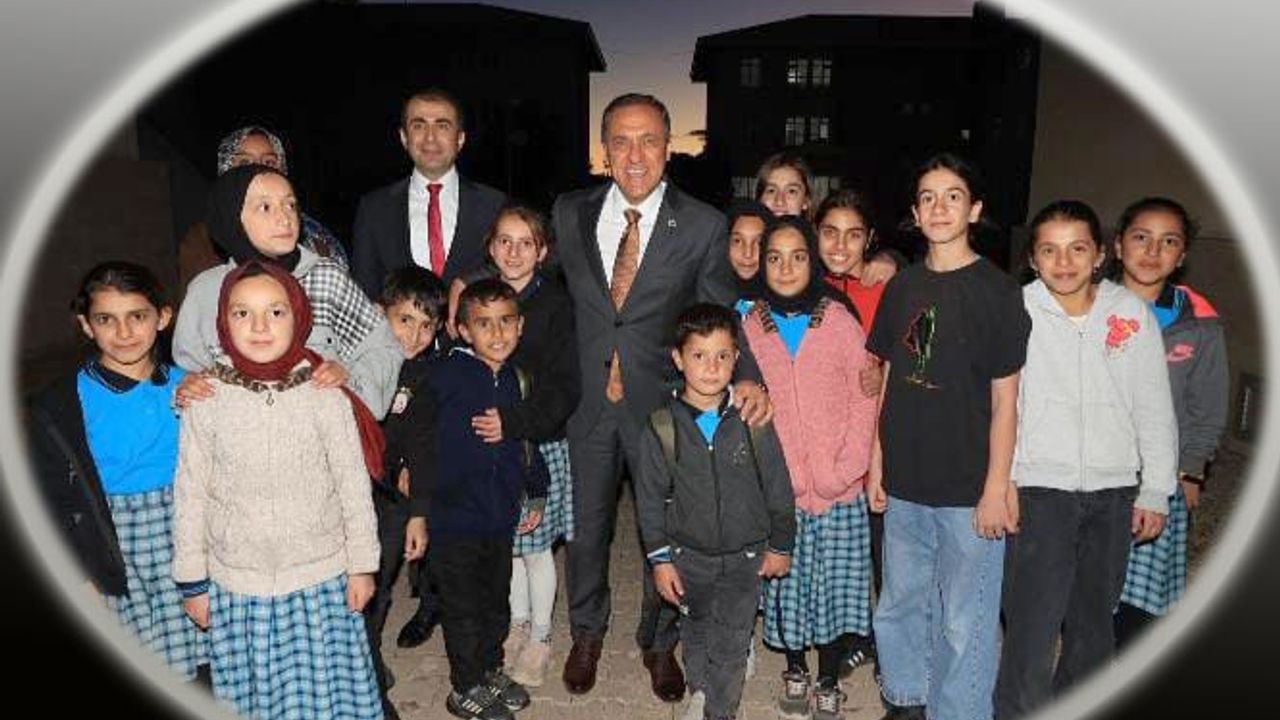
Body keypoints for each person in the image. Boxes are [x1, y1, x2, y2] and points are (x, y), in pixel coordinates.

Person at [550, 92, 772, 703]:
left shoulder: (701, 224)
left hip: (661, 409)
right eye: (621, 141)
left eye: (648, 140)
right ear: (604, 150)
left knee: (665, 529)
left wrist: (747, 376)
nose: (635, 154)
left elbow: (719, 312)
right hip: (588, 404)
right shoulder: (569, 212)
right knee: (586, 530)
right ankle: (586, 633)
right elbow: (533, 280)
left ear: (667, 148)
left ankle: (658, 643)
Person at [172, 260, 384, 720]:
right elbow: (190, 494)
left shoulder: (324, 393)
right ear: (223, 322)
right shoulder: (206, 399)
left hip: (320, 581)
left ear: (299, 316)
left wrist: (362, 567)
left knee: (326, 701)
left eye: (275, 311)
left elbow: (353, 484)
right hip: (238, 586)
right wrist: (192, 581)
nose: (259, 326)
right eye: (242, 313)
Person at [995, 200, 1177, 719]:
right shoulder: (1017, 311)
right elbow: (1003, 405)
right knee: (1031, 624)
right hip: (1040, 490)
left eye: (1077, 249)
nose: (1064, 262)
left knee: (1093, 624)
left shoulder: (1130, 314)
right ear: (1032, 259)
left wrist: (1155, 489)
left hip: (1113, 491)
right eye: (1049, 250)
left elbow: (1153, 407)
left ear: (1100, 254)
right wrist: (1005, 480)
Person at [867, 153, 1031, 720]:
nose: (939, 208)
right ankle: (906, 701)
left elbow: (1006, 400)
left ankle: (959, 710)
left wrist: (996, 486)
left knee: (966, 619)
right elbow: (890, 379)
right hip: (906, 478)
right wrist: (876, 462)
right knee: (899, 603)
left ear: (975, 210)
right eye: (928, 198)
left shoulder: (998, 292)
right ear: (915, 213)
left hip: (967, 486)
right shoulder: (902, 287)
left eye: (953, 196)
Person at [27, 261, 208, 682]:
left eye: (137, 316)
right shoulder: (61, 405)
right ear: (86, 325)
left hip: (191, 536)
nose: (124, 332)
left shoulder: (193, 387)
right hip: (116, 547)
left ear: (163, 317)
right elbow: (52, 500)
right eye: (106, 319)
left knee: (210, 669)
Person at [743, 217, 879, 720]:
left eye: (798, 256)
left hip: (838, 490)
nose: (786, 268)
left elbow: (865, 397)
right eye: (774, 258)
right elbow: (743, 402)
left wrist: (847, 467)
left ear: (813, 261)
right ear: (762, 264)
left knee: (835, 592)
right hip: (780, 493)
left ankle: (828, 677)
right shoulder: (751, 326)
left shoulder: (839, 320)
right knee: (788, 590)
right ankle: (795, 668)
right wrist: (769, 474)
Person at [637, 303, 796, 720]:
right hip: (688, 557)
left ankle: (721, 710)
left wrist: (781, 544)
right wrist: (660, 561)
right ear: (678, 359)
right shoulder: (662, 426)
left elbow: (778, 484)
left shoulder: (752, 420)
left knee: (731, 640)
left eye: (722, 356)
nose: (711, 367)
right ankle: (701, 690)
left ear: (736, 359)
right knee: (695, 629)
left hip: (746, 556)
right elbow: (650, 500)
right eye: (699, 355)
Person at [453, 207, 580, 688]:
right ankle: (518, 625)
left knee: (536, 548)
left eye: (526, 242)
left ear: (542, 251)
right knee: (507, 547)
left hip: (536, 446)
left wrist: (516, 423)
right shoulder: (480, 298)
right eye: (504, 241)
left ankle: (542, 637)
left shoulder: (555, 304)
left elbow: (565, 387)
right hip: (492, 447)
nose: (514, 251)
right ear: (490, 247)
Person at [410, 278, 548, 720]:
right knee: (463, 609)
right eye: (484, 324)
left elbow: (526, 442)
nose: (498, 333)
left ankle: (489, 670)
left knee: (495, 604)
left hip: (499, 517)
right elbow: (419, 437)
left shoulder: (515, 378)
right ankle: (464, 686)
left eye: (506, 321)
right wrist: (417, 505)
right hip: (453, 519)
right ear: (464, 330)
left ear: (520, 325)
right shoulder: (446, 375)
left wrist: (536, 491)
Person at [171, 164, 403, 419]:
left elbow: (384, 348)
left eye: (290, 205)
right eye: (265, 207)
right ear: (232, 216)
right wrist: (188, 387)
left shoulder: (326, 278)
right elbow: (188, 373)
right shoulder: (206, 292)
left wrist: (349, 378)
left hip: (322, 434)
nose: (285, 218)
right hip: (239, 437)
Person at [1111, 197, 1230, 647]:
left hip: (1159, 475)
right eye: (1141, 237)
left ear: (1181, 257)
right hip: (1095, 468)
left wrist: (1192, 471)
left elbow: (1207, 406)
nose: (1152, 251)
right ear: (1118, 246)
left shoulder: (1198, 324)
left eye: (1168, 242)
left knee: (1142, 594)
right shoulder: (1087, 306)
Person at [364, 266, 446, 720]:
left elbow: (423, 445)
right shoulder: (354, 360)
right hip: (352, 494)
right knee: (355, 589)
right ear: (381, 313)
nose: (414, 335)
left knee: (379, 586)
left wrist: (419, 513)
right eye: (404, 320)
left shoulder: (426, 374)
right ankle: (368, 683)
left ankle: (369, 660)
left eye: (426, 325)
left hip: (394, 498)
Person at [814, 188, 890, 677]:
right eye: (830, 232)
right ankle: (850, 636)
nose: (840, 245)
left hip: (882, 439)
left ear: (870, 239)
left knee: (886, 552)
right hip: (829, 443)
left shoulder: (887, 288)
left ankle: (892, 647)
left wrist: (886, 369)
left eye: (853, 234)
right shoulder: (806, 285)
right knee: (841, 554)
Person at [352, 87, 507, 303]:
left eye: (442, 126)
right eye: (419, 125)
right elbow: (363, 292)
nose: (430, 138)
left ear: (460, 139)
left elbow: (512, 273)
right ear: (404, 137)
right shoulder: (374, 208)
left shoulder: (495, 205)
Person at [178, 125, 348, 294]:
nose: (258, 169)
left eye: (269, 162)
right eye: (245, 162)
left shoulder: (313, 239)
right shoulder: (202, 242)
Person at [725, 199, 771, 317]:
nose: (748, 253)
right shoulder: (706, 295)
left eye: (759, 242)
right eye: (737, 241)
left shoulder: (785, 301)